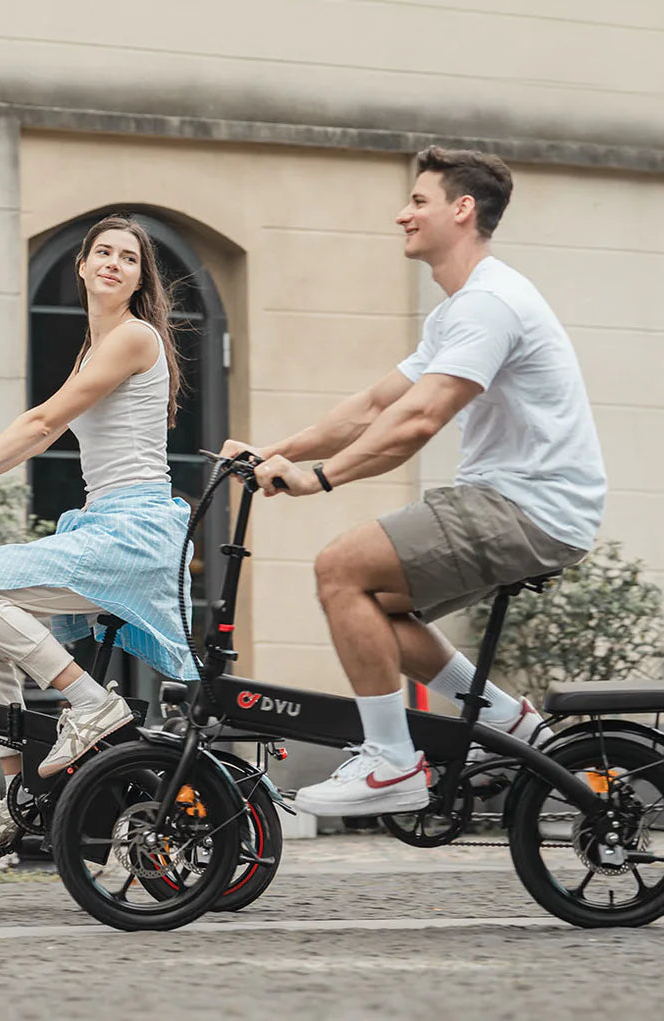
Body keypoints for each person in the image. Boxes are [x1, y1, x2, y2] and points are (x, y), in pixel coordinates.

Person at [224, 147, 606, 817]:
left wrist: (318, 478)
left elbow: (420, 419)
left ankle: (393, 763)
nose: (403, 214)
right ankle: (506, 719)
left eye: (419, 201)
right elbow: (375, 406)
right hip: (516, 501)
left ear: (462, 210)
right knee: (374, 605)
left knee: (340, 567)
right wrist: (270, 453)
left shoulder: (491, 303)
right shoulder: (459, 311)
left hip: (527, 505)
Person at [0, 214, 198, 855]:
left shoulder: (134, 337)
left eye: (130, 258)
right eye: (103, 253)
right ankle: (18, 797)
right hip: (107, 523)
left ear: (140, 279)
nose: (114, 263)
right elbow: (43, 431)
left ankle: (90, 705)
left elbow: (41, 424)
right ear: (82, 266)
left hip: (136, 530)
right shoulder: (96, 346)